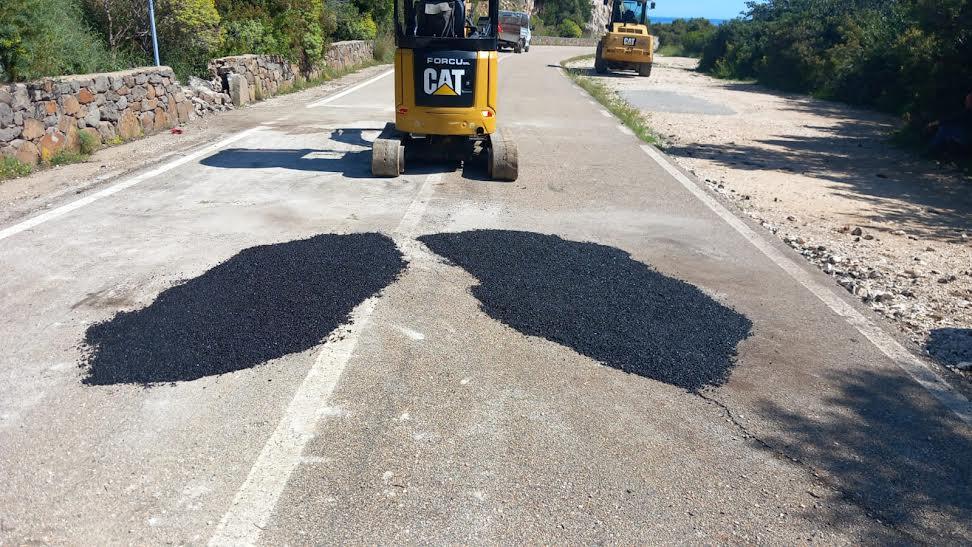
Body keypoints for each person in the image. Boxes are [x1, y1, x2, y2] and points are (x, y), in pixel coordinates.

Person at [926, 92, 972, 157]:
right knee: (947, 131)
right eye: (966, 100)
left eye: (968, 100)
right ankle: (941, 152)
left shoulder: (968, 113)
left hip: (968, 137)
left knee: (945, 129)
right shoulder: (967, 112)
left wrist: (935, 123)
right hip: (966, 135)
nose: (966, 102)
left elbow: (953, 118)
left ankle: (930, 151)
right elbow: (954, 118)